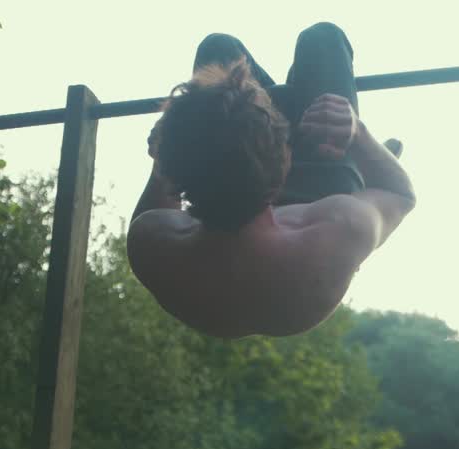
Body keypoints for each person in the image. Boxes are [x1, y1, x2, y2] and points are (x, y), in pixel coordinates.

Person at [127, 22, 415, 339]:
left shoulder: (155, 241)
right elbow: (399, 193)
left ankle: (273, 104)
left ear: (179, 170)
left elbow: (164, 187)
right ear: (286, 155)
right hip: (322, 184)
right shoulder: (333, 229)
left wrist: (166, 155)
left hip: (227, 181)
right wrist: (357, 134)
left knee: (217, 48)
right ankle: (296, 114)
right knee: (322, 38)